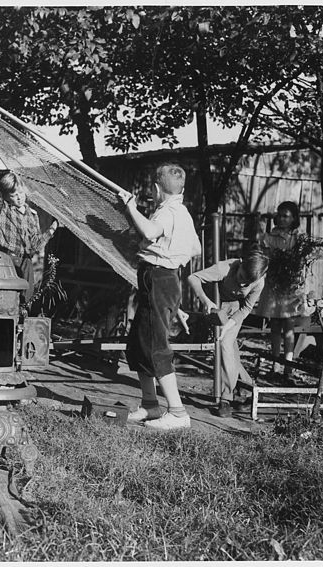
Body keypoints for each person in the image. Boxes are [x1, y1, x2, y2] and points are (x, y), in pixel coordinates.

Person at [117, 163, 202, 431]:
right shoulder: (182, 213)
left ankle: (177, 413)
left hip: (160, 278)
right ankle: (150, 405)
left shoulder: (168, 213)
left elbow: (151, 232)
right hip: (160, 278)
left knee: (155, 346)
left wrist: (131, 207)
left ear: (156, 189)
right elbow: (196, 248)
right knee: (139, 343)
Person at [187, 246, 269, 417]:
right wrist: (206, 301)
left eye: (247, 284)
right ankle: (247, 387)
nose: (241, 285)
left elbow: (246, 308)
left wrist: (230, 324)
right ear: (240, 264)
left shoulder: (259, 281)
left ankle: (226, 398)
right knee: (228, 349)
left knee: (225, 345)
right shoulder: (225, 268)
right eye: (240, 278)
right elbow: (193, 277)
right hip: (216, 306)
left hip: (234, 311)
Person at [253, 201, 313, 379]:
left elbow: (304, 260)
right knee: (275, 324)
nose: (281, 218)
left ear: (294, 218)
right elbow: (262, 247)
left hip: (291, 284)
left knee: (288, 325)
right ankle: (275, 362)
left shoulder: (299, 237)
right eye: (279, 215)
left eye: (286, 216)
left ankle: (288, 364)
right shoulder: (272, 235)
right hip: (274, 282)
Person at [0, 165, 59, 300]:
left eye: (21, 193)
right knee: (6, 295)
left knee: (27, 297)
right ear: (6, 196)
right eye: (14, 195)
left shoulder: (33, 215)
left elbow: (36, 244)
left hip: (26, 261)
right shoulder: (3, 208)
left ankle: (22, 318)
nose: (19, 198)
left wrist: (52, 229)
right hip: (7, 259)